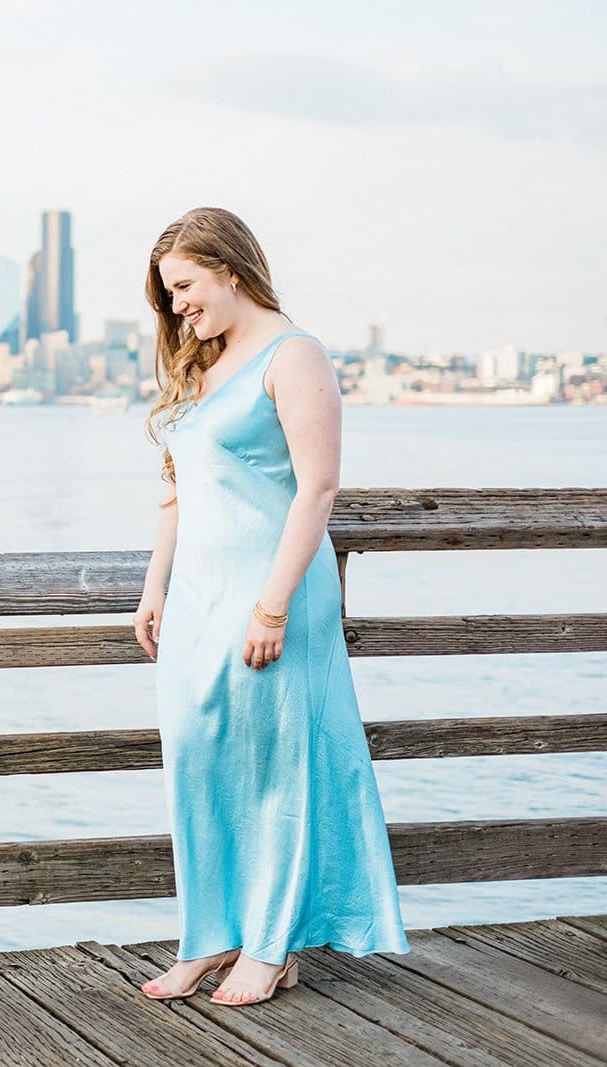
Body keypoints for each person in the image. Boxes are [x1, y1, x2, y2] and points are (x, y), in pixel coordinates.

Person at [132, 207, 408, 1007]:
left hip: (272, 593)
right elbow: (177, 494)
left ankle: (272, 942)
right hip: (196, 600)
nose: (178, 304)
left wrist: (274, 606)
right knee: (199, 761)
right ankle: (210, 936)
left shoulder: (295, 355)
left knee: (276, 766)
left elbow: (317, 487)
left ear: (229, 268)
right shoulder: (202, 366)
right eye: (168, 293)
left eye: (184, 285)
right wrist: (156, 587)